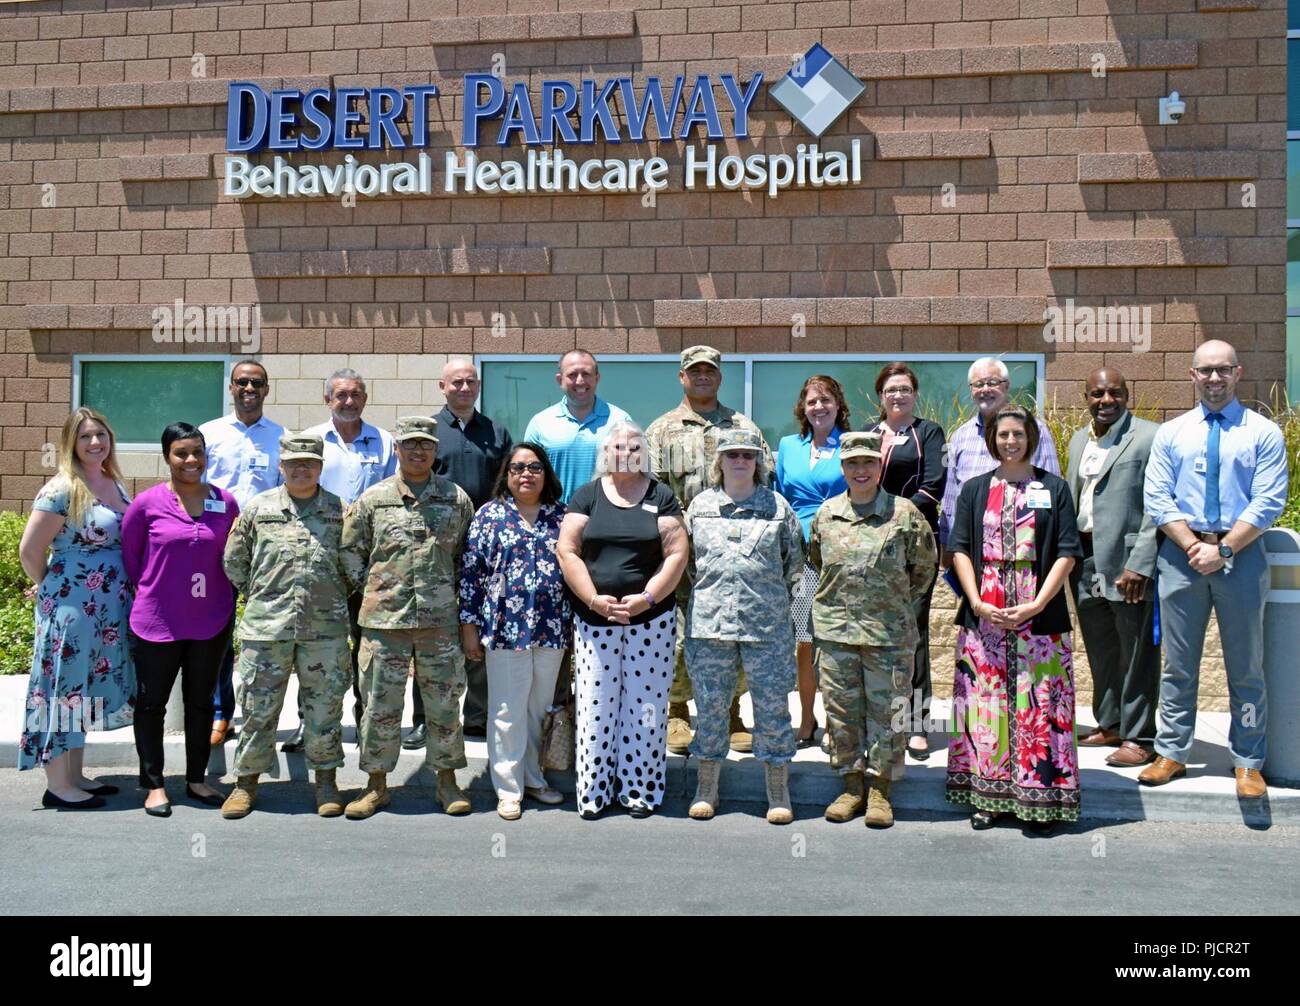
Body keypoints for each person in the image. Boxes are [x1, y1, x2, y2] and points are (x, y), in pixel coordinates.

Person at [1140, 340, 1288, 799]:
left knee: (1246, 667)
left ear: (1238, 373)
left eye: (1223, 370)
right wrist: (1192, 546)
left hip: (1240, 558)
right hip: (1182, 559)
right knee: (1178, 666)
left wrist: (1222, 551)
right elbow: (1158, 498)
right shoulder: (1173, 433)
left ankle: (1247, 762)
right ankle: (1172, 752)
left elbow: (1268, 501)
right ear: (1192, 375)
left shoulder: (1262, 433)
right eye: (1205, 371)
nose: (1214, 379)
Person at [946, 404, 1082, 833]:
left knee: (1037, 705)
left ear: (1031, 439)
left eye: (1017, 435)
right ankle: (987, 798)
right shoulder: (974, 489)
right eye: (1002, 434)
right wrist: (976, 600)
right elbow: (962, 548)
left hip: (1037, 615)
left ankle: (1040, 799)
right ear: (992, 440)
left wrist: (1039, 603)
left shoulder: (1053, 488)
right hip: (986, 614)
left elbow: (1067, 552)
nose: (1010, 442)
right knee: (987, 707)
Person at [339, 416, 476, 819]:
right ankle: (376, 785)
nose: (418, 451)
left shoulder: (456, 499)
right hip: (385, 624)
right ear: (396, 450)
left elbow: (467, 557)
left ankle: (447, 783)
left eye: (426, 445)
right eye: (410, 444)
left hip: (439, 623)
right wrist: (374, 588)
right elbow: (350, 550)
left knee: (444, 706)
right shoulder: (374, 499)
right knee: (379, 705)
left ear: (436, 451)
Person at [557, 422, 688, 819]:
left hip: (652, 621)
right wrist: (594, 600)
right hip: (595, 621)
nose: (625, 452)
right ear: (605, 452)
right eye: (617, 446)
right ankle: (594, 793)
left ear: (644, 452)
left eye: (634, 446)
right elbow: (567, 550)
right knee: (597, 706)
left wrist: (647, 598)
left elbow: (677, 553)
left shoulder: (660, 495)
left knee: (645, 706)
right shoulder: (588, 495)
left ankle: (640, 790)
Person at [646, 344, 773, 756]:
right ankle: (677, 709)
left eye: (710, 371)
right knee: (679, 633)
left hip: (733, 552)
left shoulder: (743, 428)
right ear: (682, 377)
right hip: (678, 551)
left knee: (730, 629)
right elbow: (651, 493)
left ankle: (731, 711)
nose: (702, 376)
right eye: (694, 371)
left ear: (719, 377)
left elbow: (765, 485)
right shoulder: (661, 430)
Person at [219, 433, 352, 819]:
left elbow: (354, 565)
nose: (301, 468)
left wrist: (329, 595)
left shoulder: (340, 511)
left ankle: (325, 782)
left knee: (325, 709)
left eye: (309, 462)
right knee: (259, 710)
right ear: (281, 466)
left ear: (321, 467)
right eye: (293, 462)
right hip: (267, 627)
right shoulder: (259, 509)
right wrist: (263, 593)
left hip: (324, 630)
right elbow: (234, 561)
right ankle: (246, 784)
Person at [809, 432, 937, 829]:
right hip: (836, 633)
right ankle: (850, 786)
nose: (860, 470)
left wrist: (888, 606)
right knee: (842, 713)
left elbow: (924, 569)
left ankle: (881, 789)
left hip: (888, 635)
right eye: (852, 464)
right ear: (843, 468)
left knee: (888, 714)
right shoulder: (826, 514)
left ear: (879, 466)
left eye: (868, 463)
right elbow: (816, 562)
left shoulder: (905, 515)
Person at [684, 428, 804, 824]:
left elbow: (793, 566)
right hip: (710, 625)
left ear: (758, 461)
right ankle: (707, 786)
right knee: (712, 708)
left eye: (748, 455)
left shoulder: (777, 508)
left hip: (765, 628)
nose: (740, 461)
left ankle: (777, 788)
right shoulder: (699, 508)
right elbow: (687, 566)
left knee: (772, 709)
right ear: (719, 461)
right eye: (732, 454)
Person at [17, 408, 134, 808]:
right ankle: (57, 785)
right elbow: (30, 551)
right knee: (61, 688)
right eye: (85, 437)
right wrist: (51, 587)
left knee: (83, 689)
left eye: (100, 434)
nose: (95, 443)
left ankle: (76, 775)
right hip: (72, 610)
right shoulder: (61, 489)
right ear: (71, 443)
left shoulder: (113, 483)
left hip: (107, 611)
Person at [121, 423, 239, 817]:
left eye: (197, 453)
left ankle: (196, 778)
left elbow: (235, 556)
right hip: (158, 620)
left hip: (211, 619)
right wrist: (161, 590)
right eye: (181, 453)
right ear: (167, 457)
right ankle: (154, 784)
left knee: (201, 703)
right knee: (151, 703)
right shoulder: (147, 504)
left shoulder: (225, 502)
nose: (191, 461)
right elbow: (133, 559)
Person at [458, 443, 569, 820]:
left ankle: (534, 779)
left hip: (552, 626)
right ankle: (508, 788)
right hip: (506, 628)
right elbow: (472, 575)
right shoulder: (489, 516)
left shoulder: (562, 516)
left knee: (538, 709)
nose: (526, 474)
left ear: (545, 474)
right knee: (507, 710)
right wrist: (469, 627)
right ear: (506, 474)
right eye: (518, 467)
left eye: (534, 467)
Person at [294, 367, 397, 752]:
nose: (349, 401)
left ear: (365, 399)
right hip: (319, 562)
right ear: (327, 400)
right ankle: (311, 723)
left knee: (366, 646)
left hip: (371, 565)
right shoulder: (310, 441)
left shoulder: (384, 443)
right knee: (315, 645)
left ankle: (364, 719)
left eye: (355, 395)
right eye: (341, 395)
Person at [1066, 368, 1161, 767]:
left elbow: (1160, 503)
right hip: (1084, 560)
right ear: (1086, 397)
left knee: (1137, 649)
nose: (1106, 400)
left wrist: (1140, 563)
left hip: (1127, 564)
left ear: (1128, 395)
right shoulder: (1077, 440)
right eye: (1097, 394)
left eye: (1115, 393)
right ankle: (1111, 723)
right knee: (1102, 647)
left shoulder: (1150, 436)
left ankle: (1140, 736)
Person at [426, 357, 514, 746]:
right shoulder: (428, 432)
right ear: (442, 387)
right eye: (456, 382)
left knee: (479, 626)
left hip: (485, 551)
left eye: (470, 382)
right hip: (436, 549)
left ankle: (477, 714)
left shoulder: (496, 432)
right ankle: (424, 717)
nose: (464, 388)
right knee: (431, 632)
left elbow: (510, 485)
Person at [199, 359, 285, 748]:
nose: (249, 389)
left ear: (267, 389)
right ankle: (221, 712)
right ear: (231, 388)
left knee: (269, 634)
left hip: (268, 551)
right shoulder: (209, 434)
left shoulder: (282, 437)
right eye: (242, 382)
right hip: (218, 546)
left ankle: (263, 714)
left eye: (257, 383)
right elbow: (192, 489)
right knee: (218, 631)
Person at [869, 362, 947, 761]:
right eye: (890, 390)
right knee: (875, 634)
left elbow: (933, 486)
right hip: (870, 548)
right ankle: (880, 718)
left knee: (912, 632)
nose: (897, 396)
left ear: (914, 394)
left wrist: (890, 517)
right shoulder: (868, 434)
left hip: (914, 546)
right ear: (880, 396)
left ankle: (917, 722)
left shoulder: (928, 433)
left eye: (904, 389)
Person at [773, 375, 850, 749]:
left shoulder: (851, 445)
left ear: (839, 405)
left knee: (839, 641)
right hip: (802, 557)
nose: (819, 407)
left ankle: (839, 722)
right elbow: (779, 497)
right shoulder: (788, 446)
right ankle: (807, 719)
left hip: (843, 553)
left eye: (826, 400)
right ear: (802, 408)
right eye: (812, 401)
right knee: (805, 639)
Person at [939, 357, 1060, 557]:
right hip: (972, 548)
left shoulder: (1035, 430)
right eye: (978, 384)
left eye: (992, 382)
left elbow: (1051, 487)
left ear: (1006, 386)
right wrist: (947, 543)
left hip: (1025, 547)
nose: (985, 389)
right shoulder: (960, 436)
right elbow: (951, 495)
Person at [523, 349, 632, 505]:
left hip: (607, 516)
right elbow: (528, 474)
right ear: (559, 380)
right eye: (572, 375)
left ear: (597, 378)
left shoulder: (621, 421)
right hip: (554, 519)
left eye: (586, 374)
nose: (580, 381)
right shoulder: (540, 423)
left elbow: (634, 474)